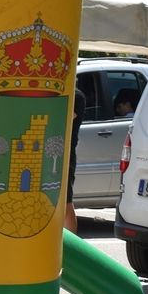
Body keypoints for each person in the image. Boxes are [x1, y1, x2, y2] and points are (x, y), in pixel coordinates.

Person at [64, 89, 85, 232]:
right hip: (53, 152)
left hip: (66, 155)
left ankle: (72, 242)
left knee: (66, 201)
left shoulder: (76, 96)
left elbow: (67, 117)